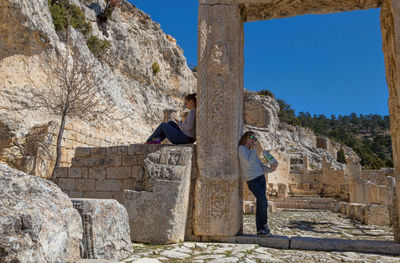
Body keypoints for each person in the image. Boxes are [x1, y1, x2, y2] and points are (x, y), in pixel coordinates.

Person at [238, 131, 278, 236]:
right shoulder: (241, 149)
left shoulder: (252, 152)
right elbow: (248, 163)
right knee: (263, 201)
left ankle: (260, 230)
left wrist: (271, 169)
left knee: (261, 203)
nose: (252, 140)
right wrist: (254, 151)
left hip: (261, 178)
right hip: (252, 180)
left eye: (254, 139)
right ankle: (264, 225)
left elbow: (260, 166)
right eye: (251, 137)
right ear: (246, 137)